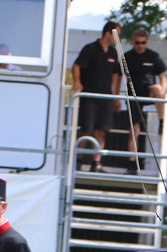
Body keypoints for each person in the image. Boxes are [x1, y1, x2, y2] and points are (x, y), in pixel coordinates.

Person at [71, 21, 122, 173]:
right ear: (108, 33)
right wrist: (77, 81)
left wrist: (116, 96)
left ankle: (96, 163)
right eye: (116, 35)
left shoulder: (113, 53)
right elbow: (76, 66)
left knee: (102, 131)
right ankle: (78, 161)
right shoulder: (90, 49)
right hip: (90, 97)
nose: (117, 39)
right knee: (86, 130)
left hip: (106, 98)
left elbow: (115, 74)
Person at [122, 28, 167, 175]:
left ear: (146, 42)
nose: (140, 45)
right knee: (134, 130)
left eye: (143, 43)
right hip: (133, 94)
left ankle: (162, 121)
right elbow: (117, 76)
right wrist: (116, 94)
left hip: (148, 92)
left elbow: (163, 78)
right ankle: (132, 164)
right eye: (137, 43)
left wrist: (162, 92)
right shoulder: (127, 57)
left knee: (157, 88)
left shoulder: (153, 56)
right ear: (133, 42)